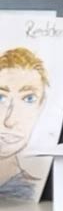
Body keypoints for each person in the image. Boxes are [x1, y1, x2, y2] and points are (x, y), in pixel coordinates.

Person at [0, 47, 48, 201]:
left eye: (29, 99)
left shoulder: (27, 189)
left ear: (41, 107)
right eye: (1, 98)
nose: (9, 121)